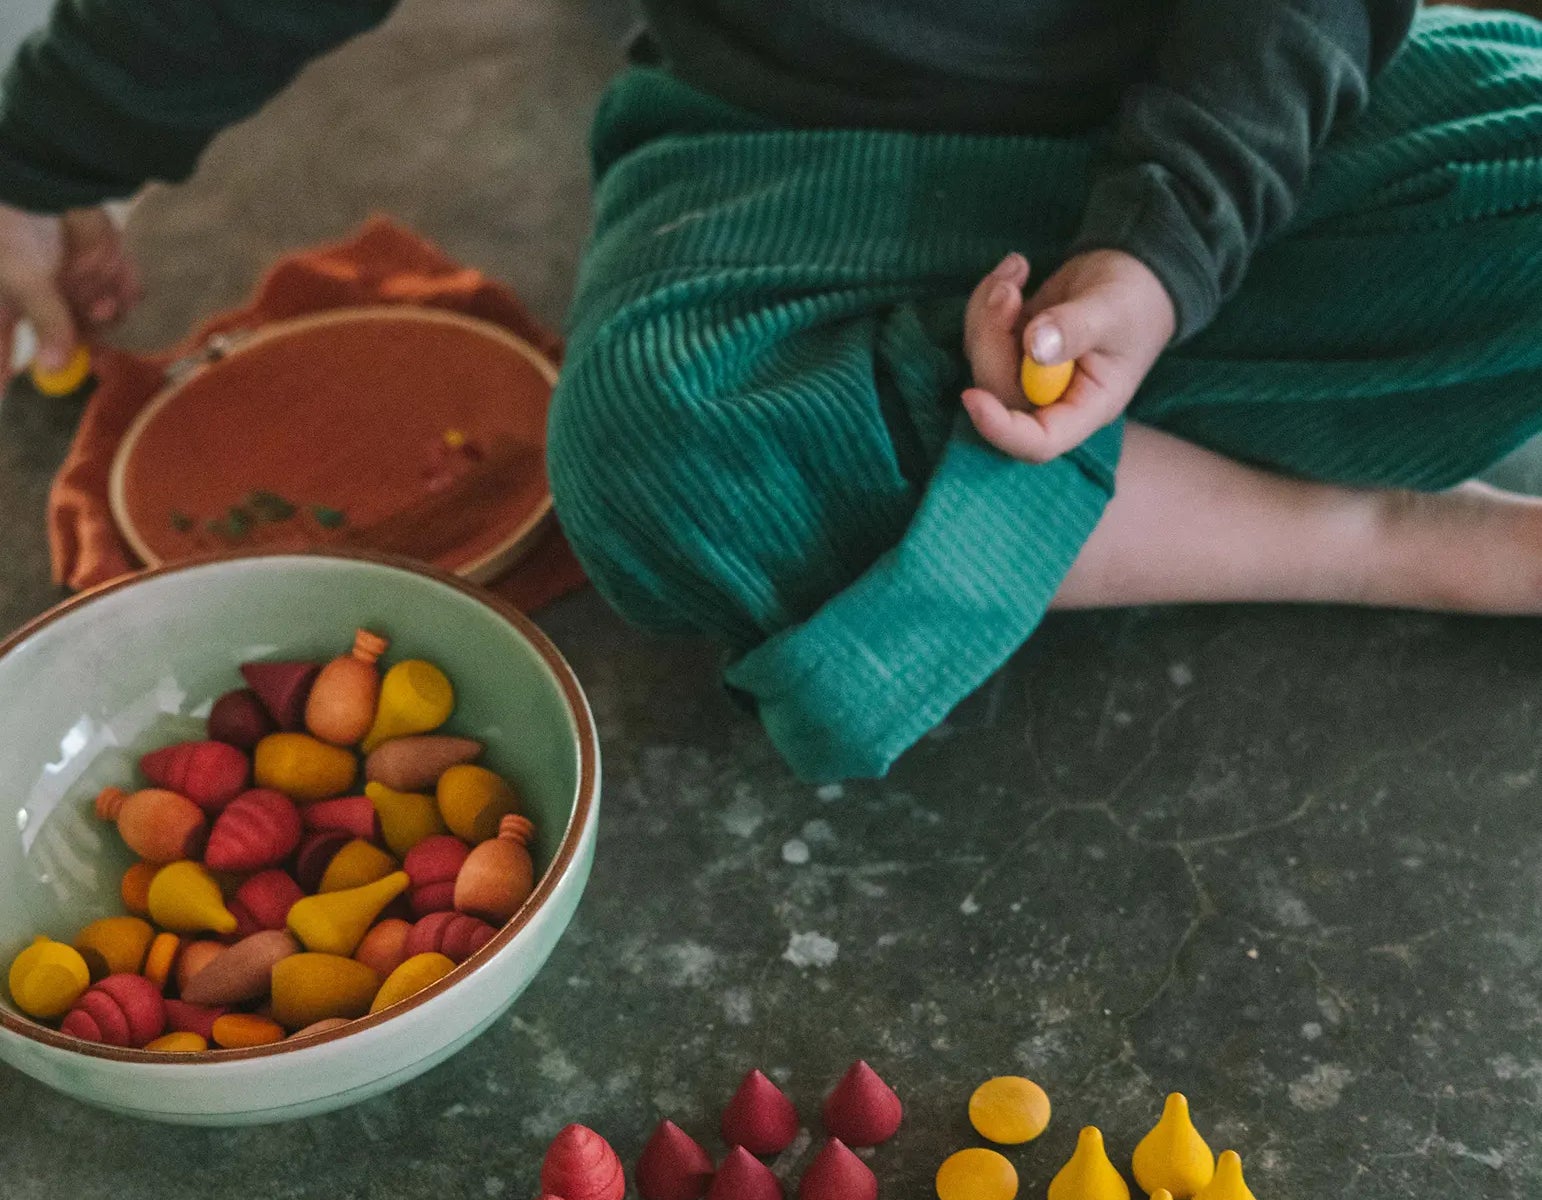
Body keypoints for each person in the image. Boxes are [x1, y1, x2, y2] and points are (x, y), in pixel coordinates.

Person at [4, 3, 1542, 782]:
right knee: (672, 466)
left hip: (1224, 105)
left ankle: (1036, 440)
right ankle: (1370, 534)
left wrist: (1163, 248)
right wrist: (34, 166)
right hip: (787, 155)